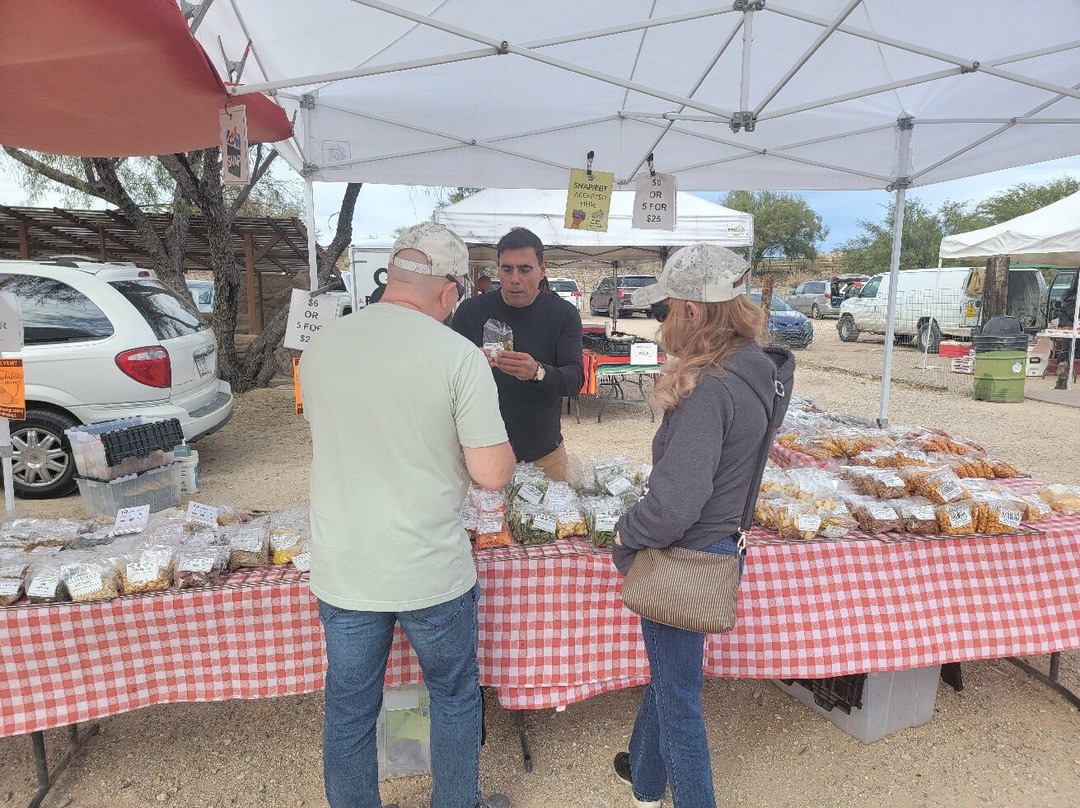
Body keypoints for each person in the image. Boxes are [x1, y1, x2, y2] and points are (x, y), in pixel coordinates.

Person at [300, 222, 516, 808]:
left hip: (345, 566)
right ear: (450, 291)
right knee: (451, 694)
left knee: (348, 707)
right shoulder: (456, 355)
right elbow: (492, 474)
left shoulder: (321, 348)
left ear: (392, 276)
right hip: (429, 567)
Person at [608, 244, 795, 808]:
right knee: (672, 677)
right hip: (719, 548)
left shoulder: (709, 386)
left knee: (679, 698)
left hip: (684, 555)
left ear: (692, 311)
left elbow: (674, 505)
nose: (663, 322)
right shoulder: (760, 370)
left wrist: (624, 532)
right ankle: (643, 779)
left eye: (667, 309)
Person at [452, 227, 584, 482]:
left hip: (543, 454)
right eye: (507, 269)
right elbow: (447, 379)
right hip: (478, 450)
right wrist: (470, 365)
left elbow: (575, 380)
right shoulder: (470, 311)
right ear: (497, 267)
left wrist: (538, 372)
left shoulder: (563, 314)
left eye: (525, 269)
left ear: (542, 268)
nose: (514, 279)